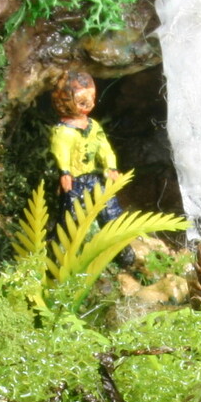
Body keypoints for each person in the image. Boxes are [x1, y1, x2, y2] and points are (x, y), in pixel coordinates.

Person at [49, 71, 134, 266]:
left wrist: (110, 166)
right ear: (66, 101)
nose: (90, 104)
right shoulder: (63, 132)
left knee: (111, 212)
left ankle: (122, 252)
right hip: (75, 182)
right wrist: (65, 172)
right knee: (71, 220)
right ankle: (58, 260)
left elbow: (104, 147)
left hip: (95, 178)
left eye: (92, 98)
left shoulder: (93, 126)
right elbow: (61, 151)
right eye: (82, 101)